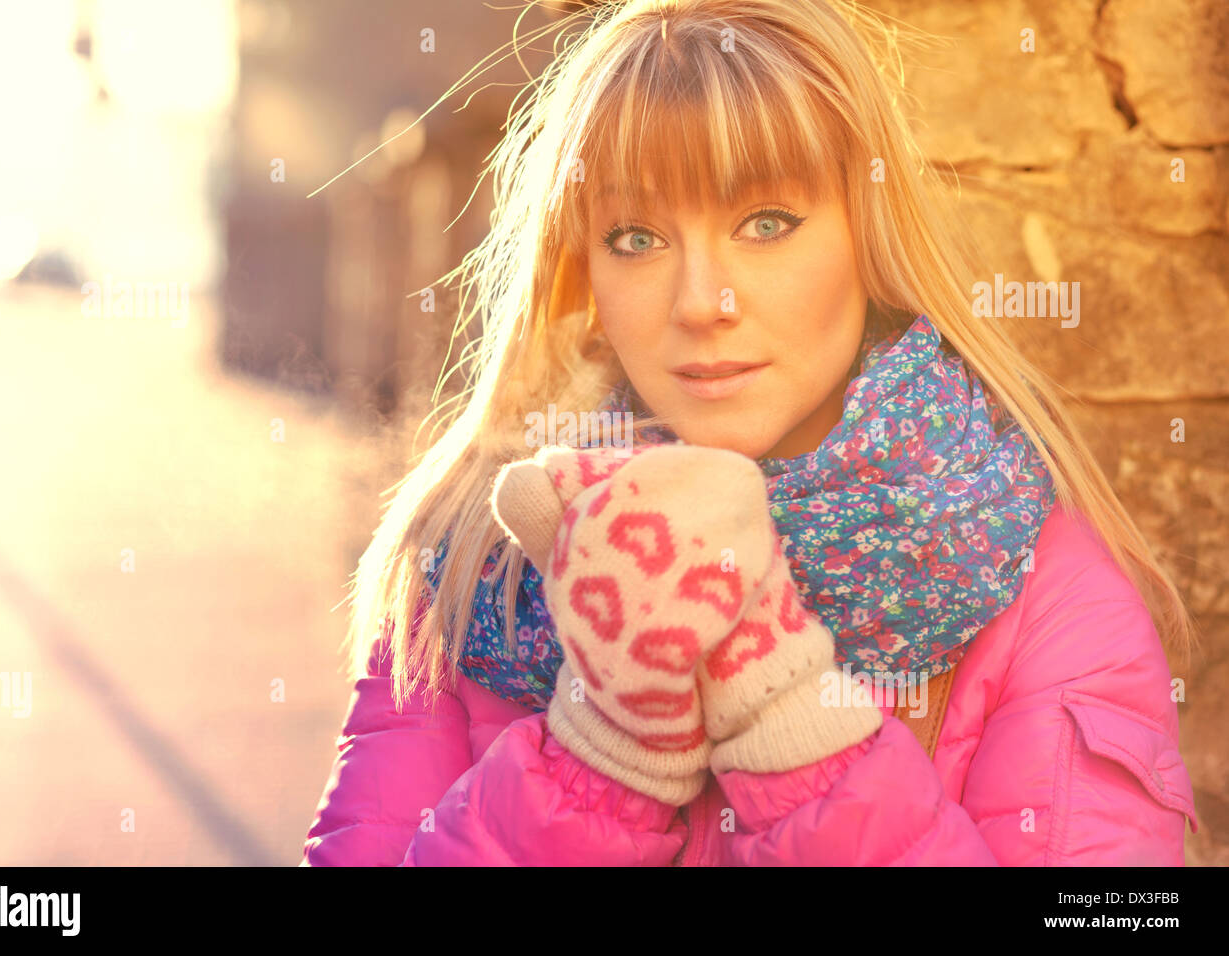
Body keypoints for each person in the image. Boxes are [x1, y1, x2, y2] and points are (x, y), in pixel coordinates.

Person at [301, 0, 1199, 866]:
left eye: (766, 223)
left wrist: (804, 747)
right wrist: (596, 772)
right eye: (636, 236)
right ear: (583, 269)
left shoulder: (1046, 598)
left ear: (868, 234)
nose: (701, 302)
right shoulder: (473, 578)